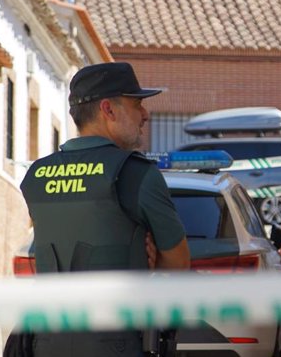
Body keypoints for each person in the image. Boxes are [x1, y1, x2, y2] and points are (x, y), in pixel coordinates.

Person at [19, 62, 190, 357]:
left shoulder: (36, 175)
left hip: (47, 342)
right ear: (109, 110)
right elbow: (179, 262)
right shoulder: (136, 174)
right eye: (137, 105)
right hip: (116, 342)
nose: (145, 115)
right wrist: (148, 261)